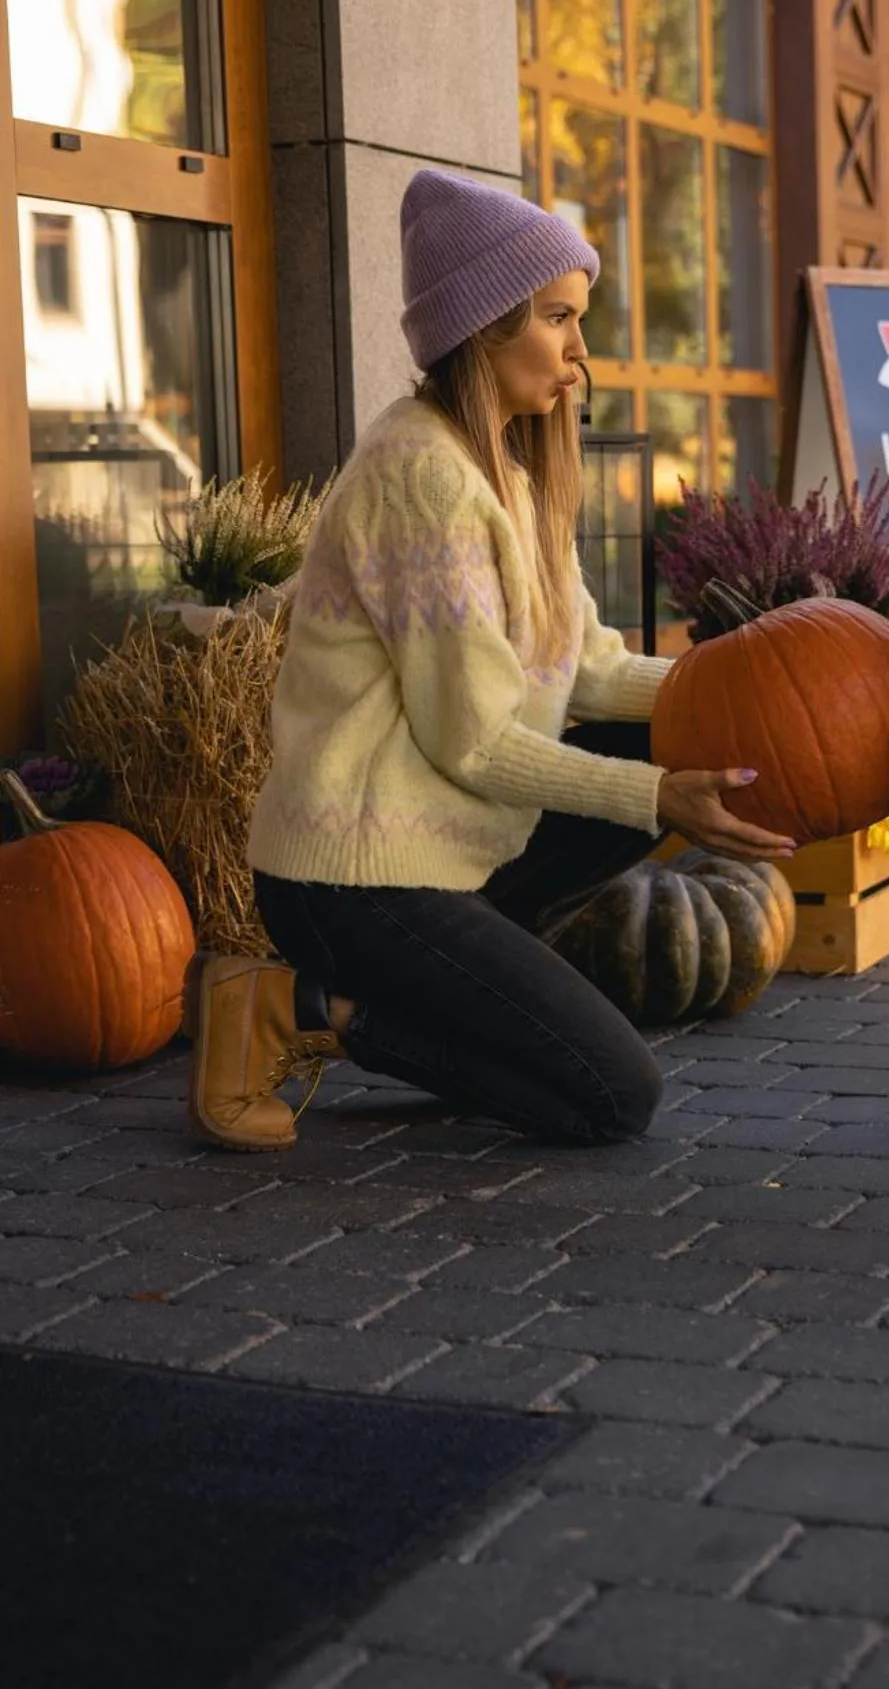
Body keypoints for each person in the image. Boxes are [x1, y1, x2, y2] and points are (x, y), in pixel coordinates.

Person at [185, 170, 793, 1153]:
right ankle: (297, 1007)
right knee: (611, 1096)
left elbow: (591, 668)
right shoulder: (421, 478)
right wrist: (657, 797)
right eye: (558, 318)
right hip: (355, 877)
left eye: (579, 319)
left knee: (656, 733)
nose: (580, 351)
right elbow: (471, 742)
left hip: (449, 848)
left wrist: (751, 694)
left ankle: (466, 1002)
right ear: (482, 326)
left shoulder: (505, 469)